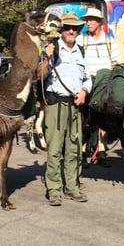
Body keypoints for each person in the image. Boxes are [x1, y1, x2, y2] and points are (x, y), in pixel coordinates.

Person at [42, 12, 92, 206]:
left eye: (76, 28)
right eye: (68, 27)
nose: (72, 31)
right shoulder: (52, 49)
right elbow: (40, 75)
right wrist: (46, 58)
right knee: (54, 147)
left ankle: (72, 186)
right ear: (61, 29)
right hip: (56, 104)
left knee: (74, 147)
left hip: (75, 105)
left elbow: (87, 77)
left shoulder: (81, 50)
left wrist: (84, 92)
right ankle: (54, 189)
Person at [77, 7, 120, 166]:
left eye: (92, 20)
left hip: (105, 81)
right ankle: (81, 151)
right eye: (87, 20)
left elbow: (115, 63)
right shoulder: (81, 39)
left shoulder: (109, 40)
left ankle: (101, 151)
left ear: (100, 22)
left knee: (103, 118)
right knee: (84, 117)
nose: (88, 22)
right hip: (87, 82)